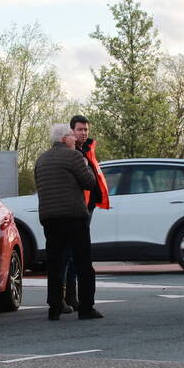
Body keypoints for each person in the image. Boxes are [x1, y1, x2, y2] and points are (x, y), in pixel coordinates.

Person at [34, 123, 102, 321]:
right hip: (73, 217)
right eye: (72, 135)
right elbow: (89, 182)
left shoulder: (41, 159)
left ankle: (54, 307)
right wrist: (87, 166)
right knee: (83, 263)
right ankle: (86, 308)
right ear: (64, 139)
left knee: (55, 264)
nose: (75, 138)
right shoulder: (74, 156)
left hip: (49, 219)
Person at [63, 115, 110, 309]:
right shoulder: (72, 152)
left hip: (86, 208)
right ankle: (68, 297)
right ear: (71, 131)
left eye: (86, 130)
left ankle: (71, 297)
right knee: (71, 253)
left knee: (76, 253)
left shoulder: (87, 150)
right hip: (76, 209)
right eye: (80, 129)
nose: (83, 133)